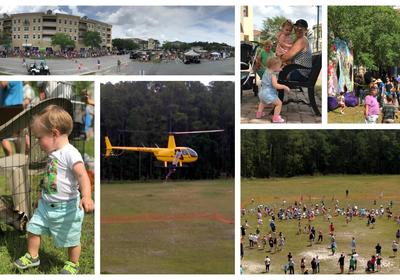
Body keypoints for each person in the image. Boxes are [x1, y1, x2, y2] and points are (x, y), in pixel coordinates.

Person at [13, 105, 94, 274]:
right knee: (33, 228)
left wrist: (86, 197)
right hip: (46, 205)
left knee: (71, 238)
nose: (38, 142)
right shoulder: (53, 152)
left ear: (55, 134)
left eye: (39, 137)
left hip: (67, 209)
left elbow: (82, 176)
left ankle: (73, 263)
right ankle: (33, 256)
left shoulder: (70, 153)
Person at [255, 57, 290, 122]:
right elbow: (275, 85)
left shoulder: (267, 70)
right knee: (279, 104)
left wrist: (279, 69)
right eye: (279, 66)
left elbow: (275, 70)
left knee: (262, 102)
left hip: (262, 92)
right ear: (275, 66)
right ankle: (276, 118)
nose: (280, 67)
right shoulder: (273, 75)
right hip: (268, 93)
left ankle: (259, 114)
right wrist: (284, 86)